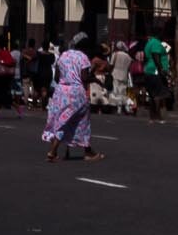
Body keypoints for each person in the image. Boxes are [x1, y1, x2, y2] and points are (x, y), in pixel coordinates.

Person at [42, 33, 105, 162]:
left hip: (61, 92)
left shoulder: (63, 56)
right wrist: (96, 80)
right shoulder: (83, 58)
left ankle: (84, 150)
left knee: (64, 119)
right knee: (80, 121)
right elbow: (84, 78)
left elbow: (57, 77)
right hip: (76, 93)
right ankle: (53, 151)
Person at [140, 28, 171, 122]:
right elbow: (156, 56)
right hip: (155, 71)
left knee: (152, 94)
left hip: (148, 70)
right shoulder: (156, 43)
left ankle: (152, 117)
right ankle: (158, 116)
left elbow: (145, 58)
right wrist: (161, 69)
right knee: (158, 94)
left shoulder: (149, 43)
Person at [0, 42, 18, 119]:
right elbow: (12, 62)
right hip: (7, 77)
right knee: (5, 95)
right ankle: (17, 108)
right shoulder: (7, 53)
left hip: (0, 77)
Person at [109, 41, 133, 112]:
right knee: (123, 92)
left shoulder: (115, 54)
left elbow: (111, 64)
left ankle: (118, 107)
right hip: (124, 75)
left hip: (115, 74)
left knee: (116, 91)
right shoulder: (128, 57)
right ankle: (126, 107)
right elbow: (129, 68)